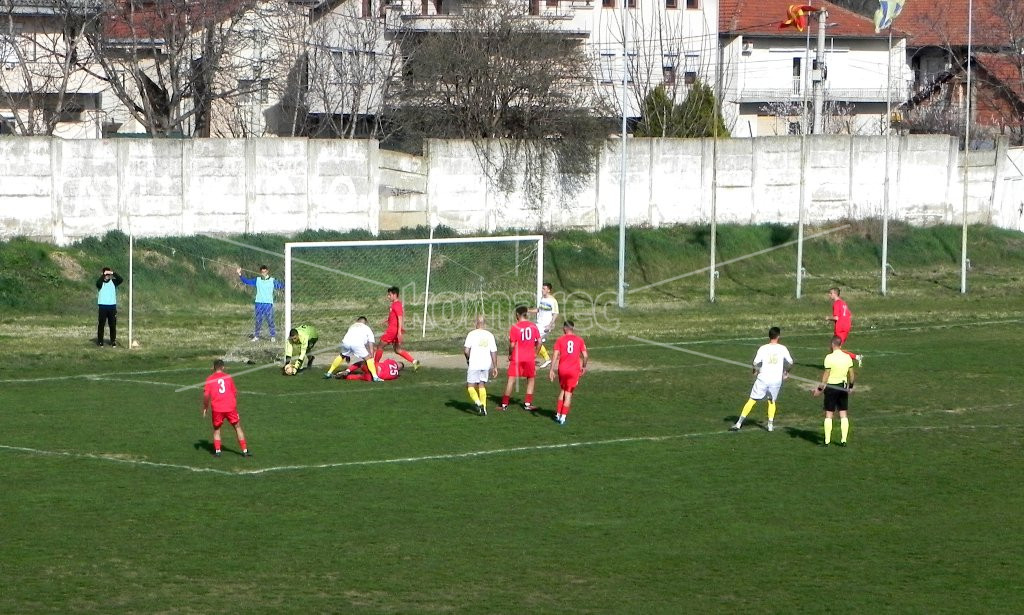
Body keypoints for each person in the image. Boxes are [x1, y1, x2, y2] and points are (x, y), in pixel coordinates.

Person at [731, 327, 794, 432]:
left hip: (763, 378)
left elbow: (755, 363)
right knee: (771, 401)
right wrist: (786, 372)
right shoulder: (782, 348)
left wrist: (754, 371)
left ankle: (738, 423)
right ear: (778, 336)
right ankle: (770, 425)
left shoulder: (763, 348)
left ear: (769, 336)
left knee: (752, 400)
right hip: (776, 380)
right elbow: (790, 362)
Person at [201, 359, 251, 458]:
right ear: (223, 367)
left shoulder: (210, 378)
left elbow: (206, 396)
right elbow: (234, 392)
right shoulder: (228, 377)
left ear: (213, 367)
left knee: (217, 429)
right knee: (237, 427)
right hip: (230, 407)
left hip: (217, 408)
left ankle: (218, 451)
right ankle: (245, 450)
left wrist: (205, 408)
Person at [813, 335, 856, 447]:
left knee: (829, 413)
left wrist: (819, 389)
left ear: (832, 345)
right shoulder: (847, 357)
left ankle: (827, 441)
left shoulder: (829, 358)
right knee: (843, 413)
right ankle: (843, 440)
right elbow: (851, 374)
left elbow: (826, 375)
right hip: (843, 386)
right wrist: (850, 386)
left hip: (831, 387)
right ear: (841, 345)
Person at [500, 305, 541, 411]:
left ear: (517, 315)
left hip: (517, 357)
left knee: (511, 380)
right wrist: (536, 353)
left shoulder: (515, 327)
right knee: (531, 379)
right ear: (526, 314)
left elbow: (512, 345)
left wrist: (510, 354)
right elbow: (539, 342)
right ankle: (527, 404)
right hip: (529, 357)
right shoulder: (533, 326)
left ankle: (504, 404)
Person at [549, 320, 588, 426]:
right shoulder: (579, 340)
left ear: (565, 328)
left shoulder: (560, 340)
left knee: (563, 390)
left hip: (562, 369)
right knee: (569, 393)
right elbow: (585, 356)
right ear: (573, 328)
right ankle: (563, 417)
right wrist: (584, 367)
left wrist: (551, 369)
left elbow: (555, 355)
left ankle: (558, 413)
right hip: (573, 371)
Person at [322, 317, 382, 381]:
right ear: (366, 323)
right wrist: (371, 354)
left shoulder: (352, 326)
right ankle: (375, 377)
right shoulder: (367, 328)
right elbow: (370, 343)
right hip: (357, 344)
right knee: (368, 358)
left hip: (346, 342)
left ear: (357, 321)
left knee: (341, 355)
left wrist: (347, 355)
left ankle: (329, 373)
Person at [374, 286, 419, 370]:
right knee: (397, 350)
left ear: (395, 294)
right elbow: (394, 316)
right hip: (395, 330)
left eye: (389, 295)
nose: (388, 296)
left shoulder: (396, 305)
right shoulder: (395, 304)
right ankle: (414, 361)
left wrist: (399, 332)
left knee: (380, 346)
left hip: (392, 331)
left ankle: (375, 365)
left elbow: (400, 317)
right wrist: (386, 320)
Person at [463, 315, 499, 416]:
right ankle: (484, 408)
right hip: (485, 364)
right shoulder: (490, 335)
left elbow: (466, 351)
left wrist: (468, 359)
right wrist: (495, 366)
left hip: (474, 363)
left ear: (476, 323)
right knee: (482, 385)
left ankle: (479, 404)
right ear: (484, 323)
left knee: (470, 386)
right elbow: (494, 351)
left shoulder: (471, 334)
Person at [238, 265, 284, 342]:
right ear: (260, 272)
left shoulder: (272, 280)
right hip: (259, 303)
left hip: (268, 303)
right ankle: (256, 336)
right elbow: (247, 281)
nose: (263, 273)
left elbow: (281, 286)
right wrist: (240, 274)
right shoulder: (257, 280)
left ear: (267, 271)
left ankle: (272, 336)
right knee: (258, 320)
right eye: (262, 272)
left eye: (265, 271)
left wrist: (286, 281)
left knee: (270, 319)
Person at [827, 287, 863, 366]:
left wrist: (828, 318)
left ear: (835, 294)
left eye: (830, 293)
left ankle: (857, 357)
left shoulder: (836, 303)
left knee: (836, 349)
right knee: (833, 348)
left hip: (840, 328)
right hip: (846, 327)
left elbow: (836, 318)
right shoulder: (843, 303)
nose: (829, 295)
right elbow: (849, 314)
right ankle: (837, 364)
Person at [528, 282, 560, 369]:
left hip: (545, 325)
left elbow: (556, 313)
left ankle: (533, 358)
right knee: (536, 340)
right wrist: (528, 310)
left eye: (544, 289)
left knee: (535, 340)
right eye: (542, 288)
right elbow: (538, 310)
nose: (542, 290)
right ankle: (547, 359)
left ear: (549, 290)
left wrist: (550, 325)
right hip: (539, 324)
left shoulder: (553, 301)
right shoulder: (542, 299)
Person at [95, 267, 123, 347]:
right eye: (106, 274)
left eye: (108, 274)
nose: (107, 276)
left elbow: (121, 279)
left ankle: (113, 341)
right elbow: (98, 284)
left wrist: (113, 273)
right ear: (103, 274)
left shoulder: (113, 282)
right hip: (103, 306)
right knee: (101, 324)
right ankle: (100, 341)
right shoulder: (100, 282)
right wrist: (103, 275)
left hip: (112, 306)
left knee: (112, 325)